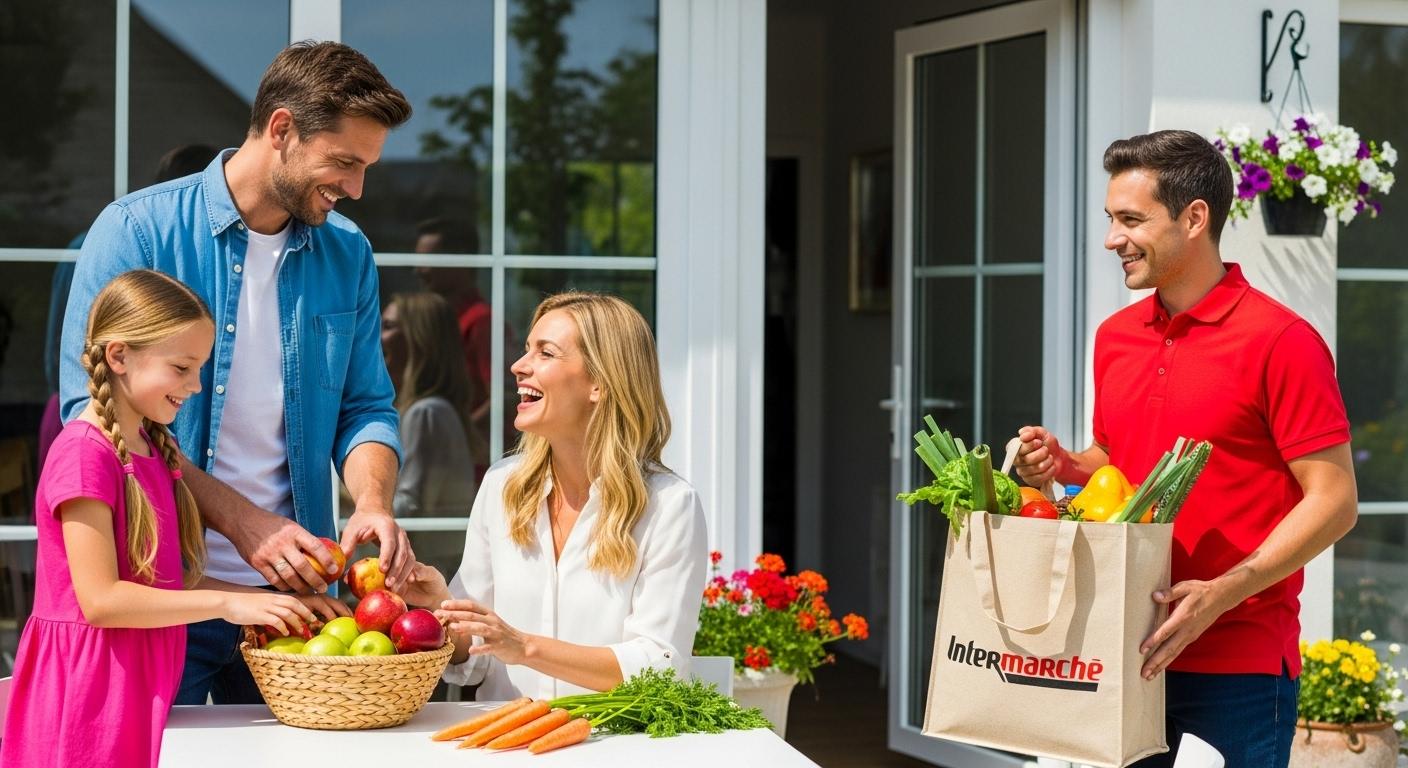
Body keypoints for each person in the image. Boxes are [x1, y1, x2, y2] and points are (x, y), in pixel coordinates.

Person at [58, 41, 416, 706]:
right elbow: (96, 416)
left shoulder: (348, 253)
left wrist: (371, 501)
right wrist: (243, 523)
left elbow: (366, 406)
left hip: (298, 606)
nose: (356, 188)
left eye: (366, 166)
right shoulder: (136, 232)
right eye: (343, 162)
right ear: (281, 130)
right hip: (165, 592)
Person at [1014, 130, 1358, 767]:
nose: (1113, 238)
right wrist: (1063, 465)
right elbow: (1115, 463)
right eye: (1111, 219)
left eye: (1131, 220)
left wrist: (1223, 591)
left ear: (1194, 217)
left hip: (1239, 668)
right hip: (1121, 650)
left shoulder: (1282, 341)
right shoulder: (1115, 337)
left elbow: (1335, 501)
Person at [2, 270, 341, 768]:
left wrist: (272, 603)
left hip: (132, 687)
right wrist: (225, 603)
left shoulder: (156, 449)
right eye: (182, 367)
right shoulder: (83, 453)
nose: (196, 385)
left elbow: (159, 579)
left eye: (200, 368)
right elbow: (100, 600)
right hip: (88, 694)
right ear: (118, 356)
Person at [399, 292, 709, 699]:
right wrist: (441, 606)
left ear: (599, 383)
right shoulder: (502, 486)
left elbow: (657, 663)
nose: (518, 366)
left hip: (611, 751)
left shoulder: (669, 505)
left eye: (545, 353)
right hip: (503, 746)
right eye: (527, 350)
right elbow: (475, 657)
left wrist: (525, 647)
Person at [39, 144, 218, 475]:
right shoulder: (90, 452)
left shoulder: (149, 452)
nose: (197, 385)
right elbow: (61, 353)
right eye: (181, 367)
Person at [381, 291, 479, 575]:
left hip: (428, 569)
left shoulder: (428, 413)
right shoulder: (432, 410)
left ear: (416, 339)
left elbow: (410, 506)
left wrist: (351, 495)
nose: (378, 337)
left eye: (388, 327)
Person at [413, 216, 499, 479]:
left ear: (458, 260)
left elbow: (502, 395)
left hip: (470, 465)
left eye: (428, 260)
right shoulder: (443, 317)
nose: (419, 270)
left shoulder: (481, 321)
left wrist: (455, 435)